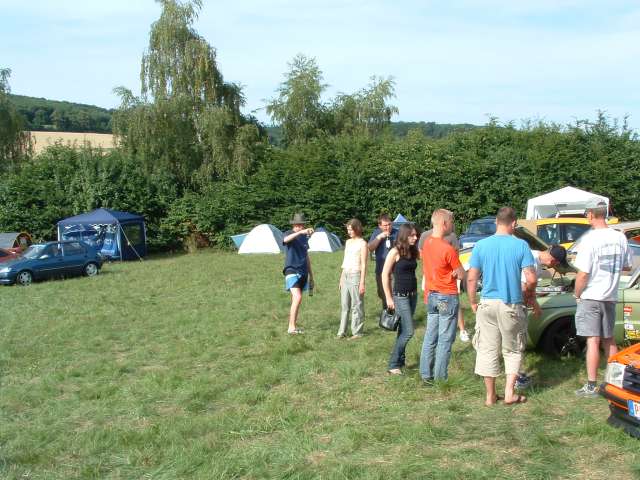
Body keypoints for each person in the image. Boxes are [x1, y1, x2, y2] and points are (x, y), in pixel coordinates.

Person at [467, 207, 537, 406]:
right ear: (513, 223)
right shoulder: (521, 245)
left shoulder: (480, 245)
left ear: (496, 222)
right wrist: (528, 295)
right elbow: (531, 278)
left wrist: (473, 302)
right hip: (510, 304)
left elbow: (471, 279)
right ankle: (509, 393)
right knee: (513, 348)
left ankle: (490, 396)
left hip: (487, 302)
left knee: (487, 349)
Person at [573, 198, 633, 397]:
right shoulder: (620, 237)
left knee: (592, 340)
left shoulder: (589, 239)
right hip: (610, 295)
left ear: (590, 214)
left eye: (586, 214)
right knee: (609, 339)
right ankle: (615, 382)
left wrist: (577, 293)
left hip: (591, 295)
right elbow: (627, 266)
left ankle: (591, 385)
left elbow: (583, 274)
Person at [419, 209, 466, 383]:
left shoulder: (427, 243)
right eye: (452, 222)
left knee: (430, 336)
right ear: (445, 223)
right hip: (446, 296)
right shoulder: (448, 249)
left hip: (431, 294)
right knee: (445, 339)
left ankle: (426, 375)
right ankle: (441, 378)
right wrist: (458, 272)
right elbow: (461, 274)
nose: (453, 225)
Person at [515, 244, 569, 390]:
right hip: (515, 304)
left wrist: (535, 305)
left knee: (516, 340)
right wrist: (530, 301)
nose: (554, 266)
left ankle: (513, 374)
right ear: (552, 259)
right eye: (556, 263)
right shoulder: (531, 259)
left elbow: (529, 287)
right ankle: (517, 377)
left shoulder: (536, 261)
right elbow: (524, 286)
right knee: (518, 341)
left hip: (516, 303)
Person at [419, 225, 470, 342]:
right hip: (434, 283)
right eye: (450, 221)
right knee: (437, 306)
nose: (452, 225)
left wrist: (453, 269)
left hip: (447, 283)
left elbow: (456, 255)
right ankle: (436, 331)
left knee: (452, 305)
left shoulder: (451, 236)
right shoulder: (425, 236)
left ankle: (461, 329)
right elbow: (421, 255)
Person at [382, 223, 421, 375]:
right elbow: (384, 275)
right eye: (412, 235)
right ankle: (393, 364)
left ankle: (400, 361)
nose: (415, 237)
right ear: (405, 236)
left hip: (413, 295)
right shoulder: (395, 251)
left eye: (416, 235)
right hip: (400, 297)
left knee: (403, 330)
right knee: (409, 332)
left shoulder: (412, 251)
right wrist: (388, 298)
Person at [282, 212, 315, 335]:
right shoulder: (289, 233)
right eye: (300, 225)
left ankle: (292, 326)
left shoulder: (304, 238)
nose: (302, 227)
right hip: (291, 270)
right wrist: (300, 233)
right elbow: (285, 240)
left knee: (295, 299)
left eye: (303, 225)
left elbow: (306, 256)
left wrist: (311, 276)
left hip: (303, 271)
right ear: (295, 225)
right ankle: (291, 327)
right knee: (298, 297)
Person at [338, 219, 368, 339]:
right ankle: (342, 332)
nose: (349, 232)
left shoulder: (363, 244)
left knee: (356, 305)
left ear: (357, 229)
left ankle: (357, 332)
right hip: (346, 275)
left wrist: (362, 283)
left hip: (356, 275)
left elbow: (364, 264)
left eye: (351, 229)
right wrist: (341, 278)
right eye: (348, 229)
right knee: (345, 306)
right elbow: (345, 261)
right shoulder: (348, 242)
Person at [369, 214, 398, 311]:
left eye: (389, 224)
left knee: (395, 294)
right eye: (385, 225)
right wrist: (380, 237)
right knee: (383, 294)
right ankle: (387, 316)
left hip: (395, 271)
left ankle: (397, 317)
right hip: (380, 270)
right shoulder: (376, 233)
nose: (388, 227)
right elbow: (370, 248)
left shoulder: (397, 233)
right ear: (379, 225)